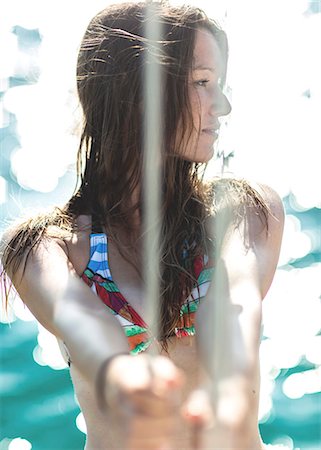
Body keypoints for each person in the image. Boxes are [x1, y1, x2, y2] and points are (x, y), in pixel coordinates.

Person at [1, 2, 284, 449]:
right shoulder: (41, 248)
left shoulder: (244, 209)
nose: (222, 105)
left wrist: (229, 390)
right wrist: (121, 373)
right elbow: (80, 319)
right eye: (203, 83)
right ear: (139, 92)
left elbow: (236, 301)